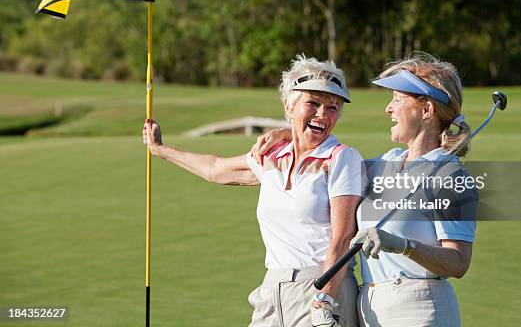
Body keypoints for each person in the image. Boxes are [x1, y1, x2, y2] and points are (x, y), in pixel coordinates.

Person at [252, 52, 477, 327]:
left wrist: (405, 246)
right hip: (369, 309)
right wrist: (291, 135)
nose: (388, 109)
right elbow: (328, 158)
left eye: (397, 99)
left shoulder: (451, 176)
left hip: (419, 308)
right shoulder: (384, 164)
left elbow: (458, 262)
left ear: (427, 110)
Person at [143, 55, 364, 327]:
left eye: (333, 107)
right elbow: (216, 169)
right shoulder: (271, 155)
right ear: (289, 106)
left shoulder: (342, 158)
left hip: (321, 287)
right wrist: (161, 150)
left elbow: (343, 238)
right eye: (313, 103)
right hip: (272, 290)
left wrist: (326, 298)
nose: (322, 114)